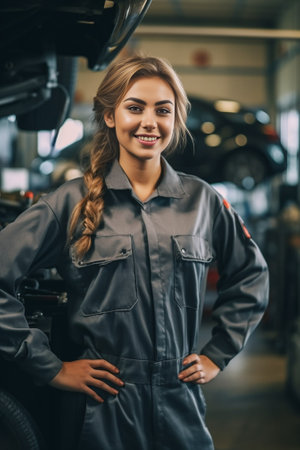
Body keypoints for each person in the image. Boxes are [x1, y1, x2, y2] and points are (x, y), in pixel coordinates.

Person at [0, 55, 269, 450]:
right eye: (134, 107)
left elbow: (251, 275)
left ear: (176, 120)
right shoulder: (69, 202)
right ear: (110, 116)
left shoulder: (203, 201)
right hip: (101, 406)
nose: (149, 122)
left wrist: (218, 353)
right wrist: (51, 368)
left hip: (180, 400)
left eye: (163, 110)